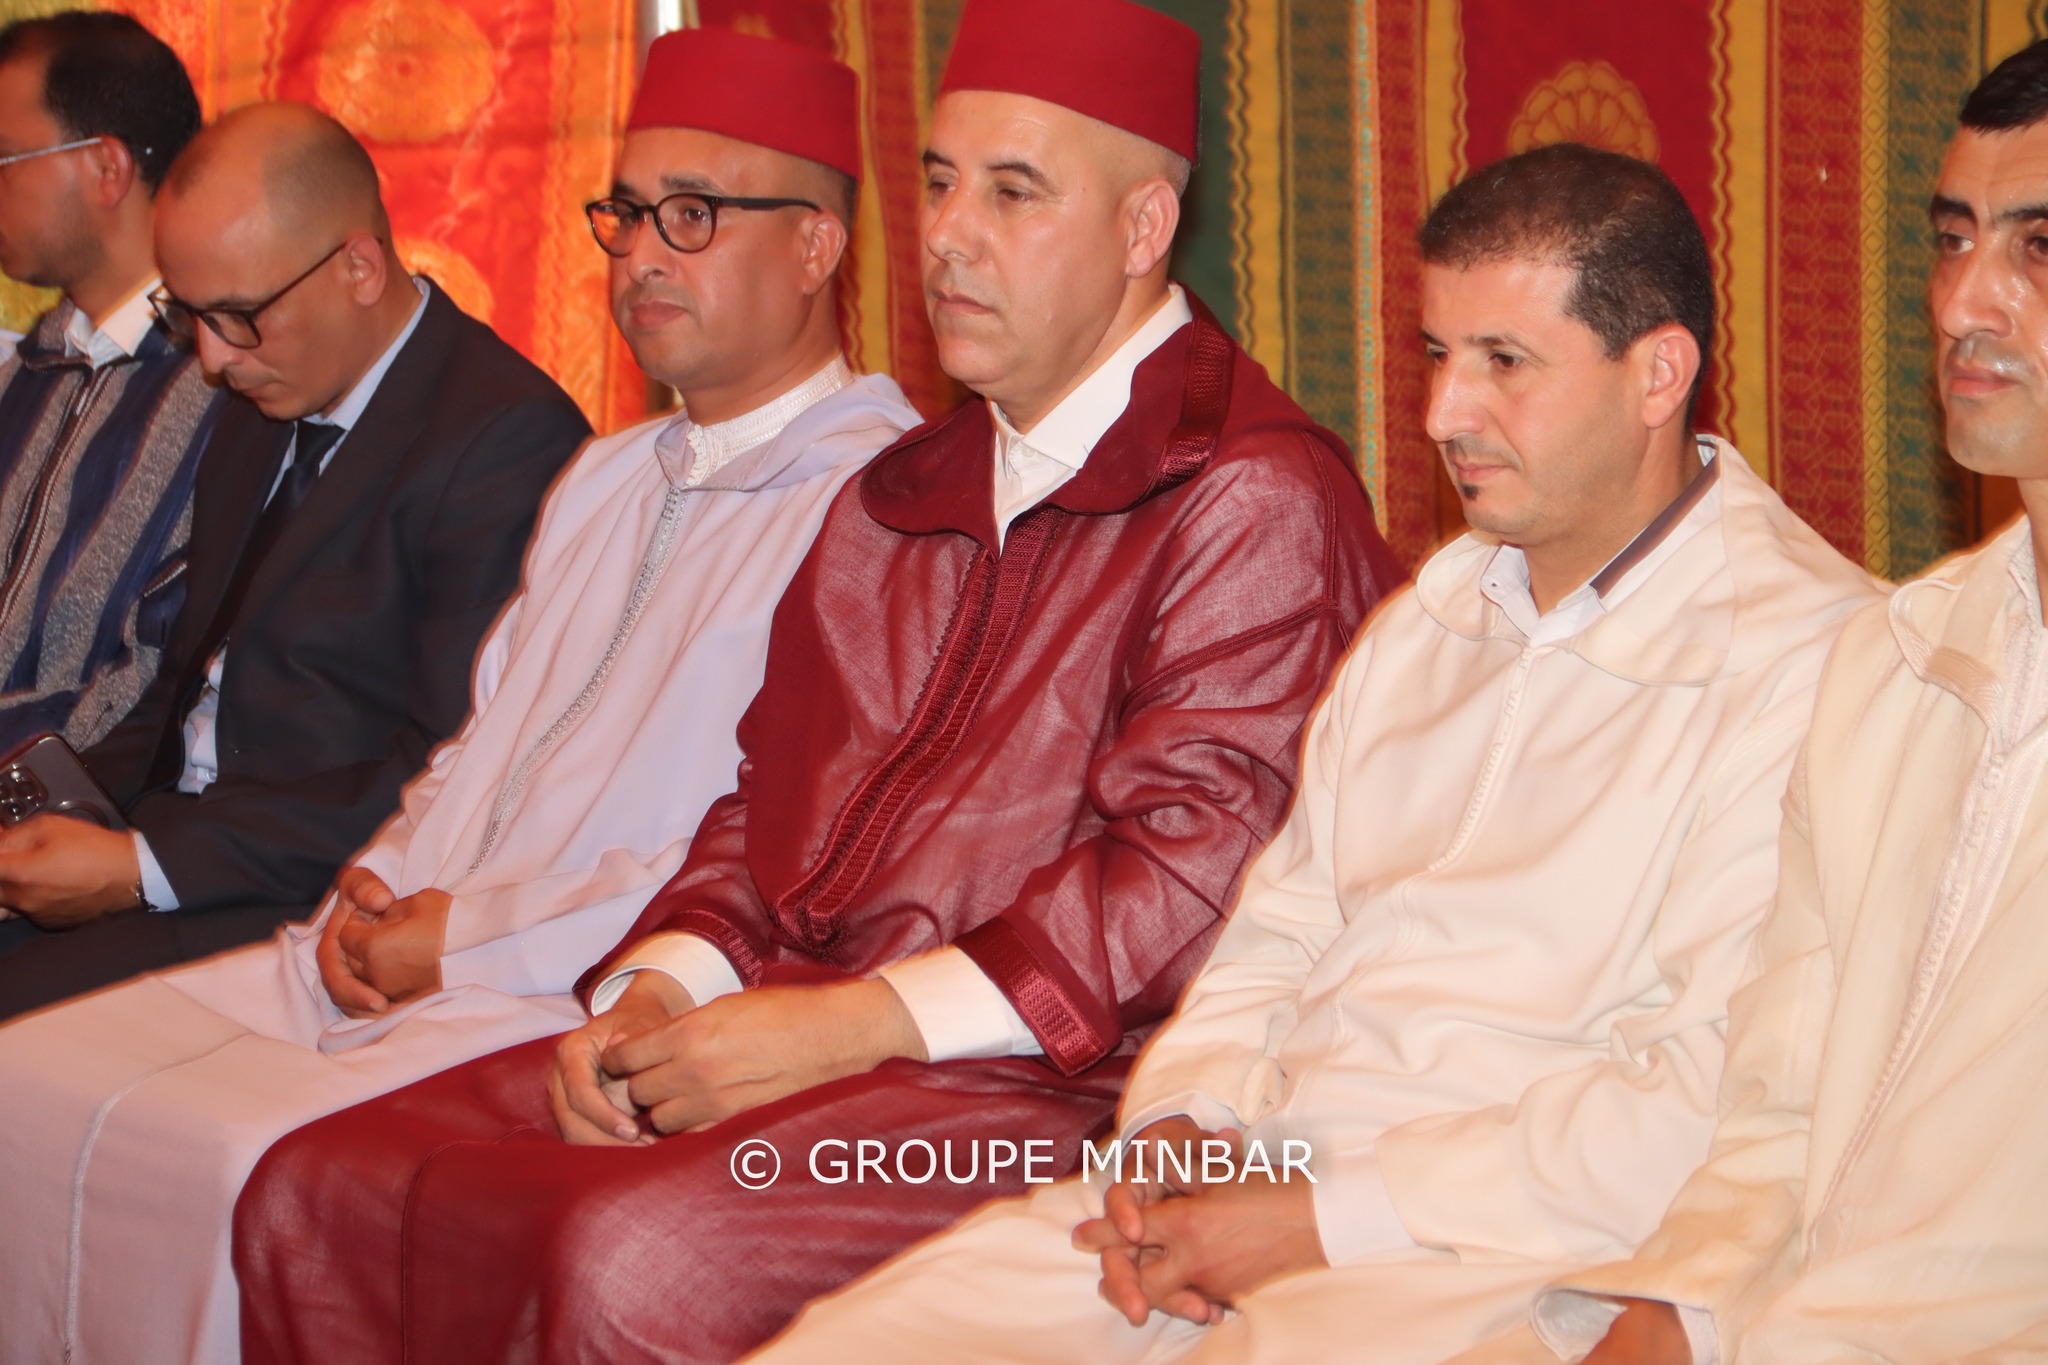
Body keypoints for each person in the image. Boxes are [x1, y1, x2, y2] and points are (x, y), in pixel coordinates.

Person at [232, 3, 1405, 1362]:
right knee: (314, 1187)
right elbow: (765, 803)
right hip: (800, 1018)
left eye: (1013, 192)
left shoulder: (1247, 493)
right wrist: (659, 992)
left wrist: (847, 1028)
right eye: (941, 182)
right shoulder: (899, 493)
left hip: (1065, 1090)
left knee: (635, 1262)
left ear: (1145, 227)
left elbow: (1189, 882)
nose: (949, 234)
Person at [741, 143, 1884, 1365]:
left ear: (1657, 373)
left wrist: (1322, 1220)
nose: (1443, 414)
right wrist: (1181, 1127)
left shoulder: (1810, 662)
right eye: (1437, 355)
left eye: (1503, 363)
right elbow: (1277, 933)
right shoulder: (1426, 621)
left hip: (1496, 1236)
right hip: (1266, 1168)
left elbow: (1708, 1092)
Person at [0, 31, 917, 1365]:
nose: (640, 255)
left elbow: (766, 852)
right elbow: (475, 744)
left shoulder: (883, 507)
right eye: (626, 214)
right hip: (415, 942)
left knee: (237, 1159)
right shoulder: (610, 476)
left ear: (818, 246)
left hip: (573, 983)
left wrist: (464, 941)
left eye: (693, 216)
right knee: (28, 1086)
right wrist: (381, 876)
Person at [1532, 38, 2048, 1365]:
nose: (1963, 303)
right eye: (1952, 239)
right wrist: (1672, 1315)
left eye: (2038, 249)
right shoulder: (1887, 665)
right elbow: (1777, 1108)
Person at [0, 102, 588, 1017]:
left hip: (311, 897)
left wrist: (142, 867)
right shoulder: (263, 401)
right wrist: (61, 807)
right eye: (186, 313)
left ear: (359, 267)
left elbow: (447, 770)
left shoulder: (504, 439)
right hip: (179, 838)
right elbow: (190, 681)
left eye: (237, 317)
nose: (210, 358)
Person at [0, 13, 216, 755]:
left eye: (5, 157)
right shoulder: (25, 374)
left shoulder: (226, 385)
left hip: (76, 799)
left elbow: (159, 679)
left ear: (106, 168)